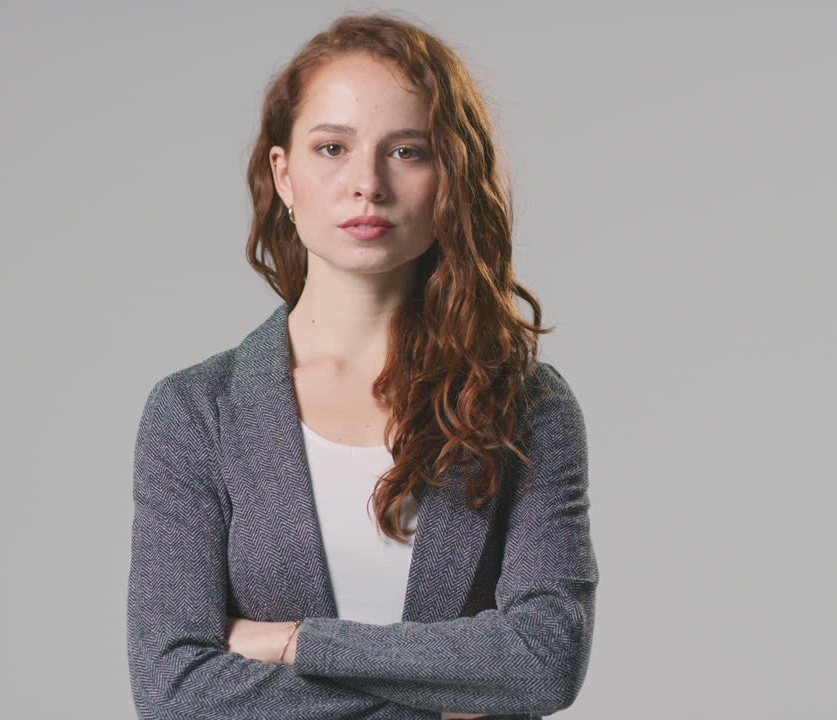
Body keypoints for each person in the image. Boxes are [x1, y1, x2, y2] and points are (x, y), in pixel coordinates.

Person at [127, 12, 596, 720]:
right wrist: (444, 703)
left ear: (450, 175)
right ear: (283, 175)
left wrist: (295, 643)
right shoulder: (197, 411)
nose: (367, 184)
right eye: (332, 148)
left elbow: (542, 661)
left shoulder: (522, 403)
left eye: (407, 151)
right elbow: (175, 691)